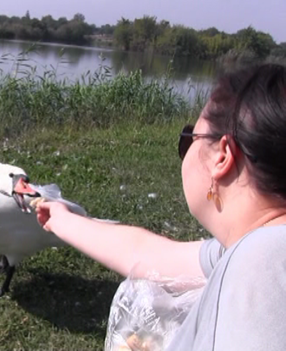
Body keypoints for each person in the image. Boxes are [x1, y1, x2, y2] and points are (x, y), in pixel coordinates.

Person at [35, 63, 286, 350]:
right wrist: (61, 220)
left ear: (222, 156)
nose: (186, 149)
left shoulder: (259, 265)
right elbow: (150, 255)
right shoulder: (252, 247)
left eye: (190, 138)